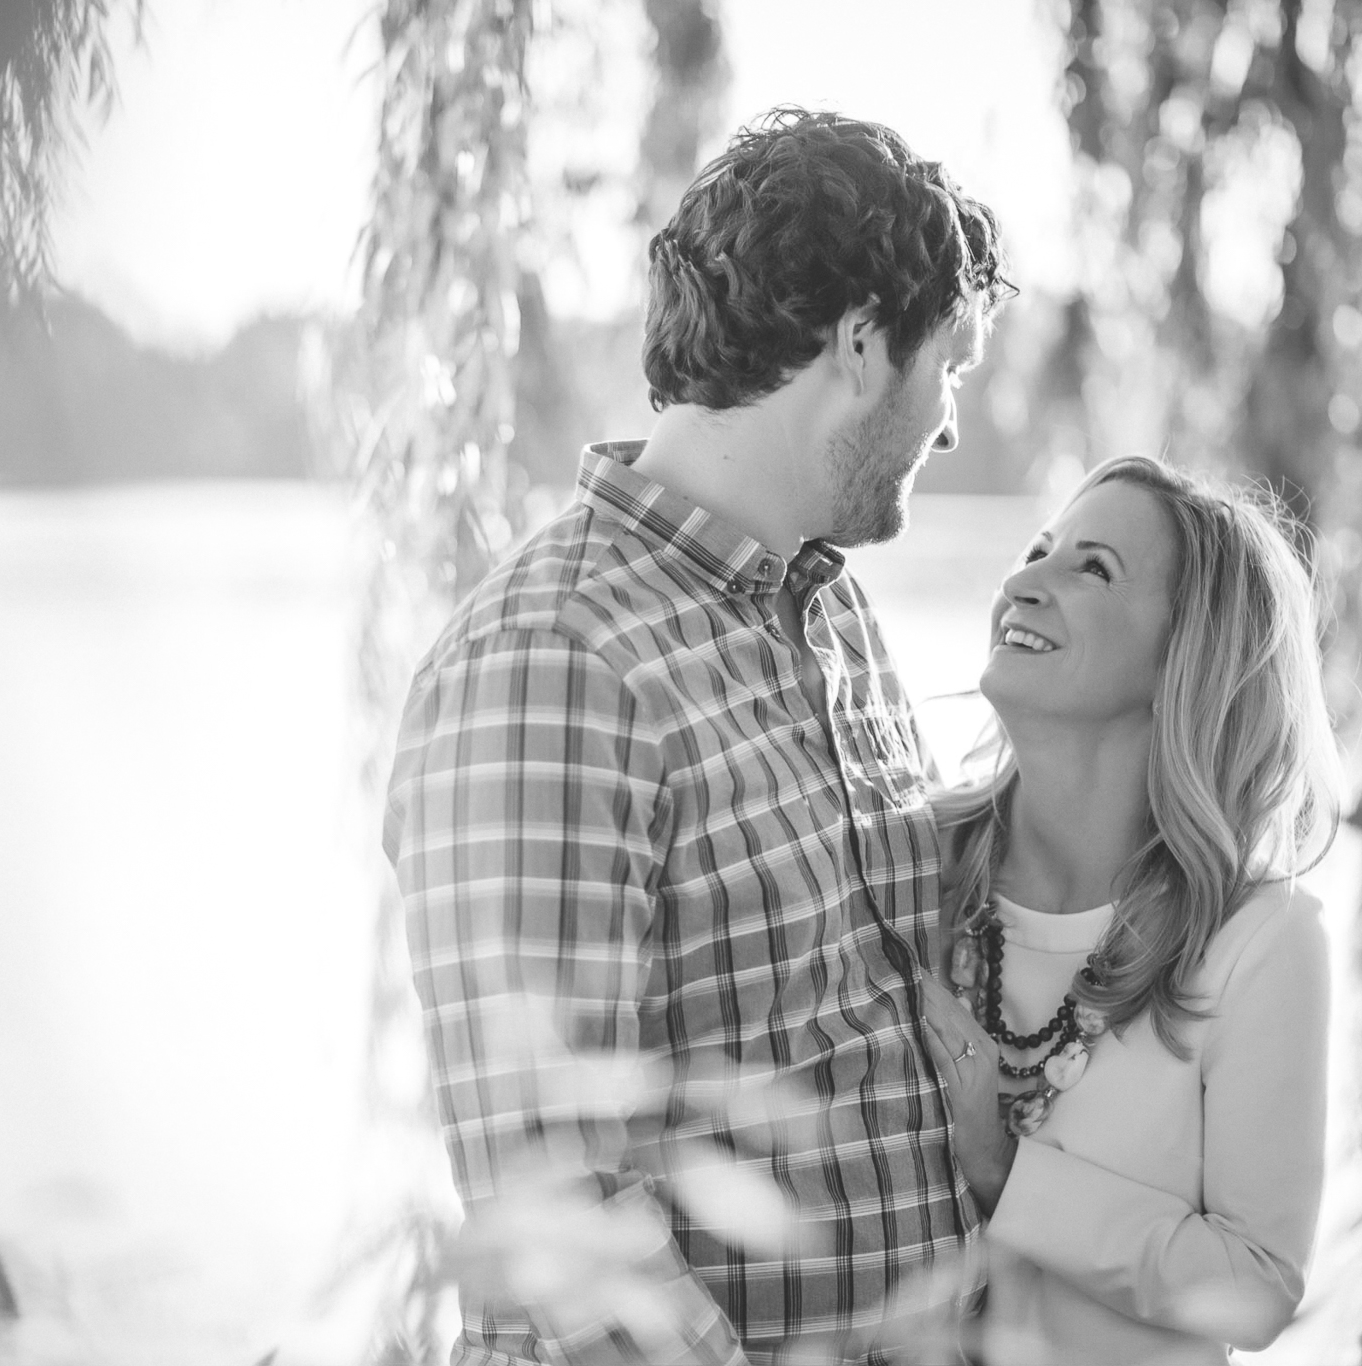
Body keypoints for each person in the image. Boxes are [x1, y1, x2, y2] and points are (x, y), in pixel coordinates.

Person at [382, 106, 1014, 1365]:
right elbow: (560, 1197)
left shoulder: (829, 614)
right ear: (856, 342)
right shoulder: (557, 659)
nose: (948, 424)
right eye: (947, 367)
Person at [917, 455, 1341, 1366]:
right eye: (1038, 550)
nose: (1021, 582)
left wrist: (1008, 1172)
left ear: (1184, 655)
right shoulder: (912, 870)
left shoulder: (1260, 941)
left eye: (1091, 567)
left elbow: (1254, 1286)